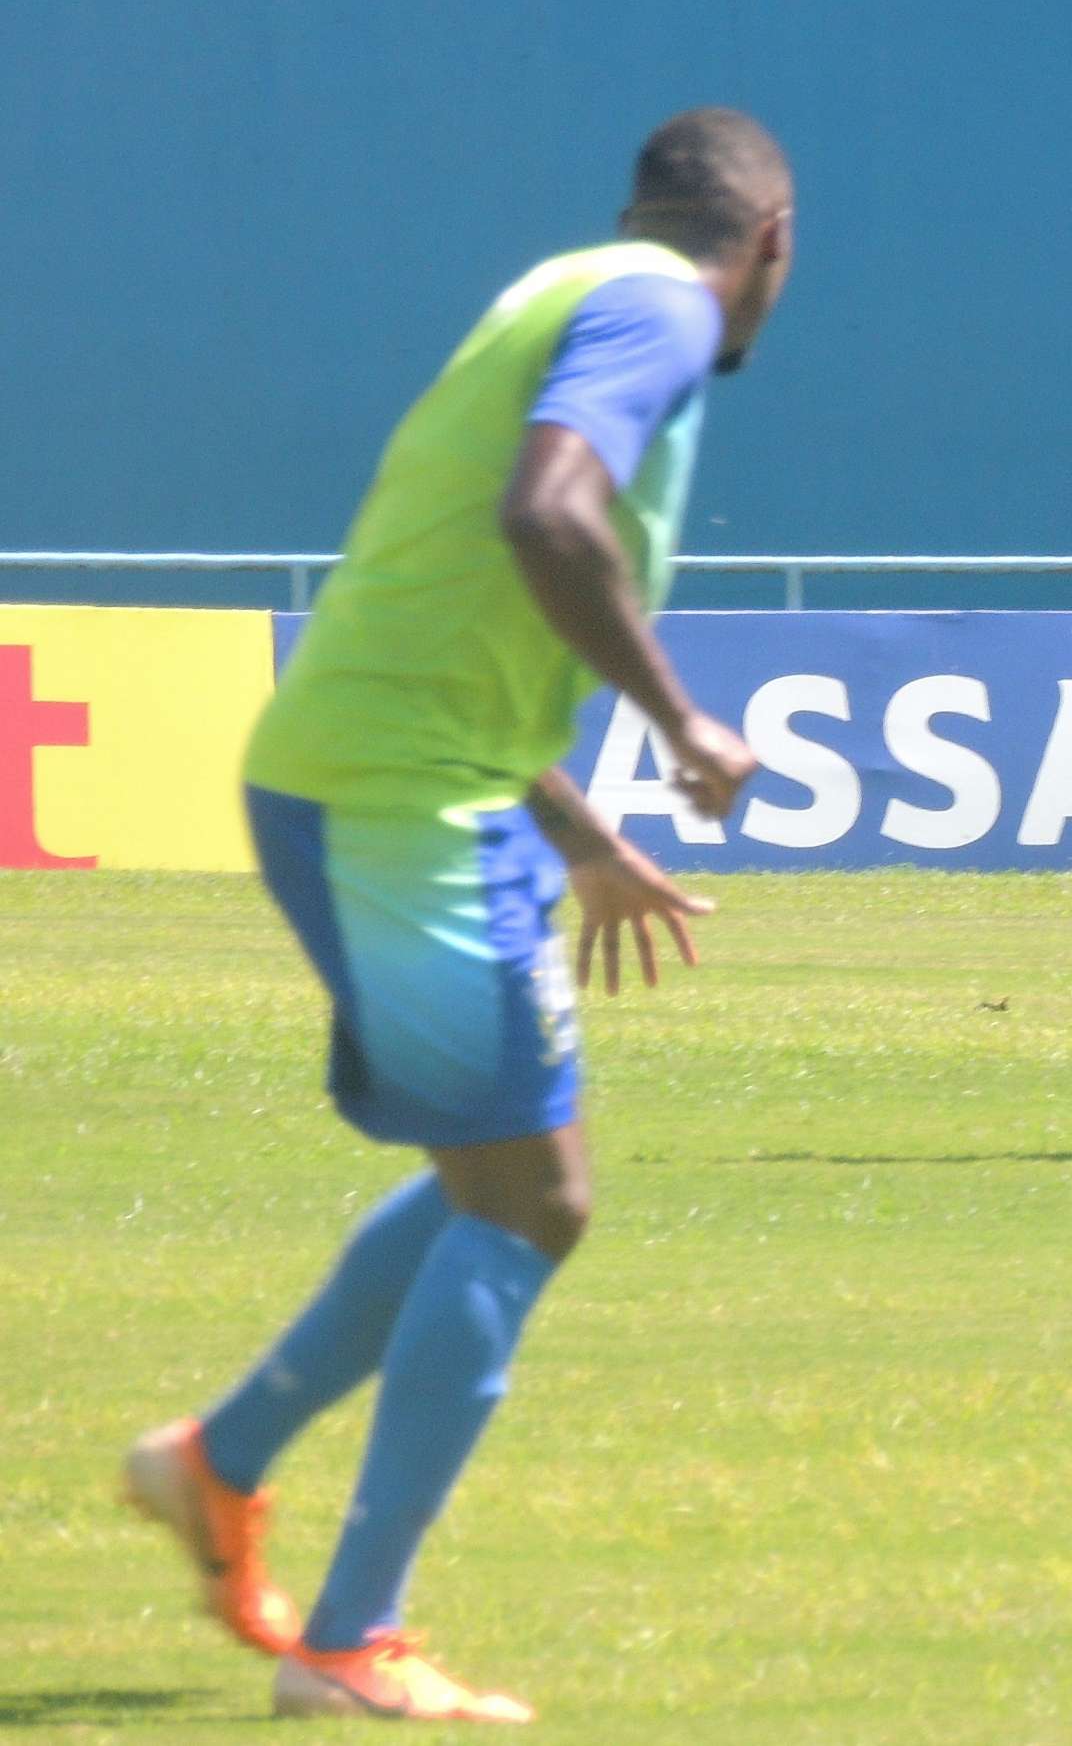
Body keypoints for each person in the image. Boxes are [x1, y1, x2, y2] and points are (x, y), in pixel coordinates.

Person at [121, 109, 795, 1720]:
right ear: (770, 242)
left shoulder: (565, 285)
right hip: (393, 797)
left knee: (491, 1177)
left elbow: (457, 600)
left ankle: (217, 1465)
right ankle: (352, 1645)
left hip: (414, 777)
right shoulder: (662, 308)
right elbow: (546, 516)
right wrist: (686, 720)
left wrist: (580, 832)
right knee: (537, 1194)